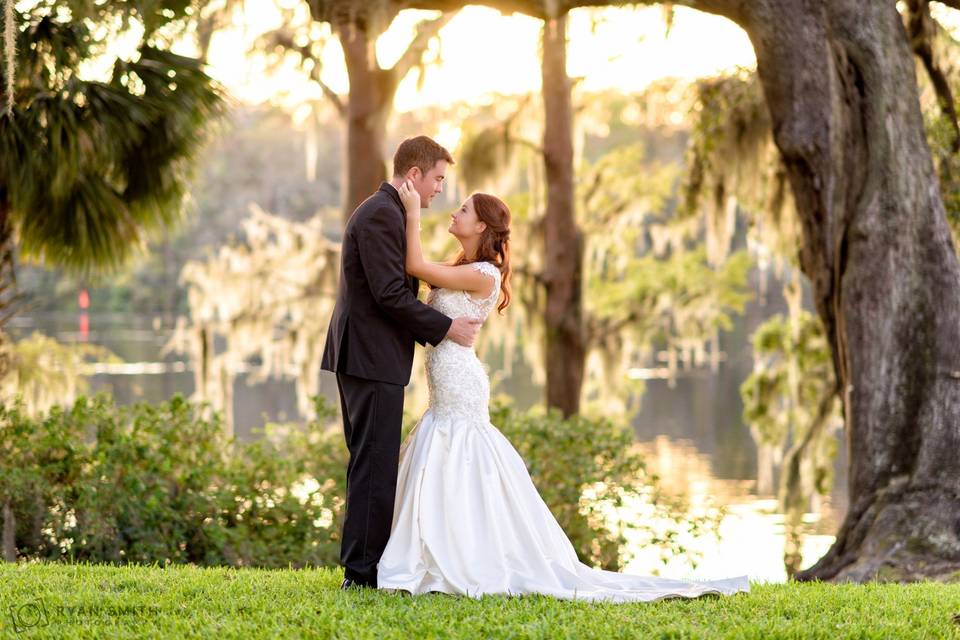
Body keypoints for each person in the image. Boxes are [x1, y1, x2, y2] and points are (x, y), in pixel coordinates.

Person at [373, 182, 751, 603]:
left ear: (481, 224)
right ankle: (439, 550)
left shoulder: (483, 274)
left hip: (461, 380)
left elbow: (414, 263)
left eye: (462, 210)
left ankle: (465, 556)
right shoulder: (464, 265)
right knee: (441, 451)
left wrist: (411, 212)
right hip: (445, 380)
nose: (453, 213)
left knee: (460, 452)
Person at [320, 136, 482, 590]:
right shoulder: (379, 215)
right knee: (374, 464)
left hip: (373, 357)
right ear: (414, 174)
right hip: (369, 357)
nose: (438, 191)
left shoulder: (391, 213)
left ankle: (365, 568)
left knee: (373, 462)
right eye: (437, 179)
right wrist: (445, 328)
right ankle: (361, 574)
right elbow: (390, 294)